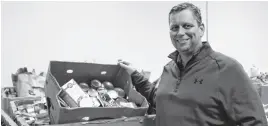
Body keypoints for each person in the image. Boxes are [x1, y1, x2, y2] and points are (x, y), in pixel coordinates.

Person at [118, 2, 268, 126]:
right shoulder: (169, 68)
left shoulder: (227, 69)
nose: (180, 32)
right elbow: (160, 99)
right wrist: (134, 74)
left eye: (187, 26)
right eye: (174, 27)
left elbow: (254, 122)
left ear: (201, 29)